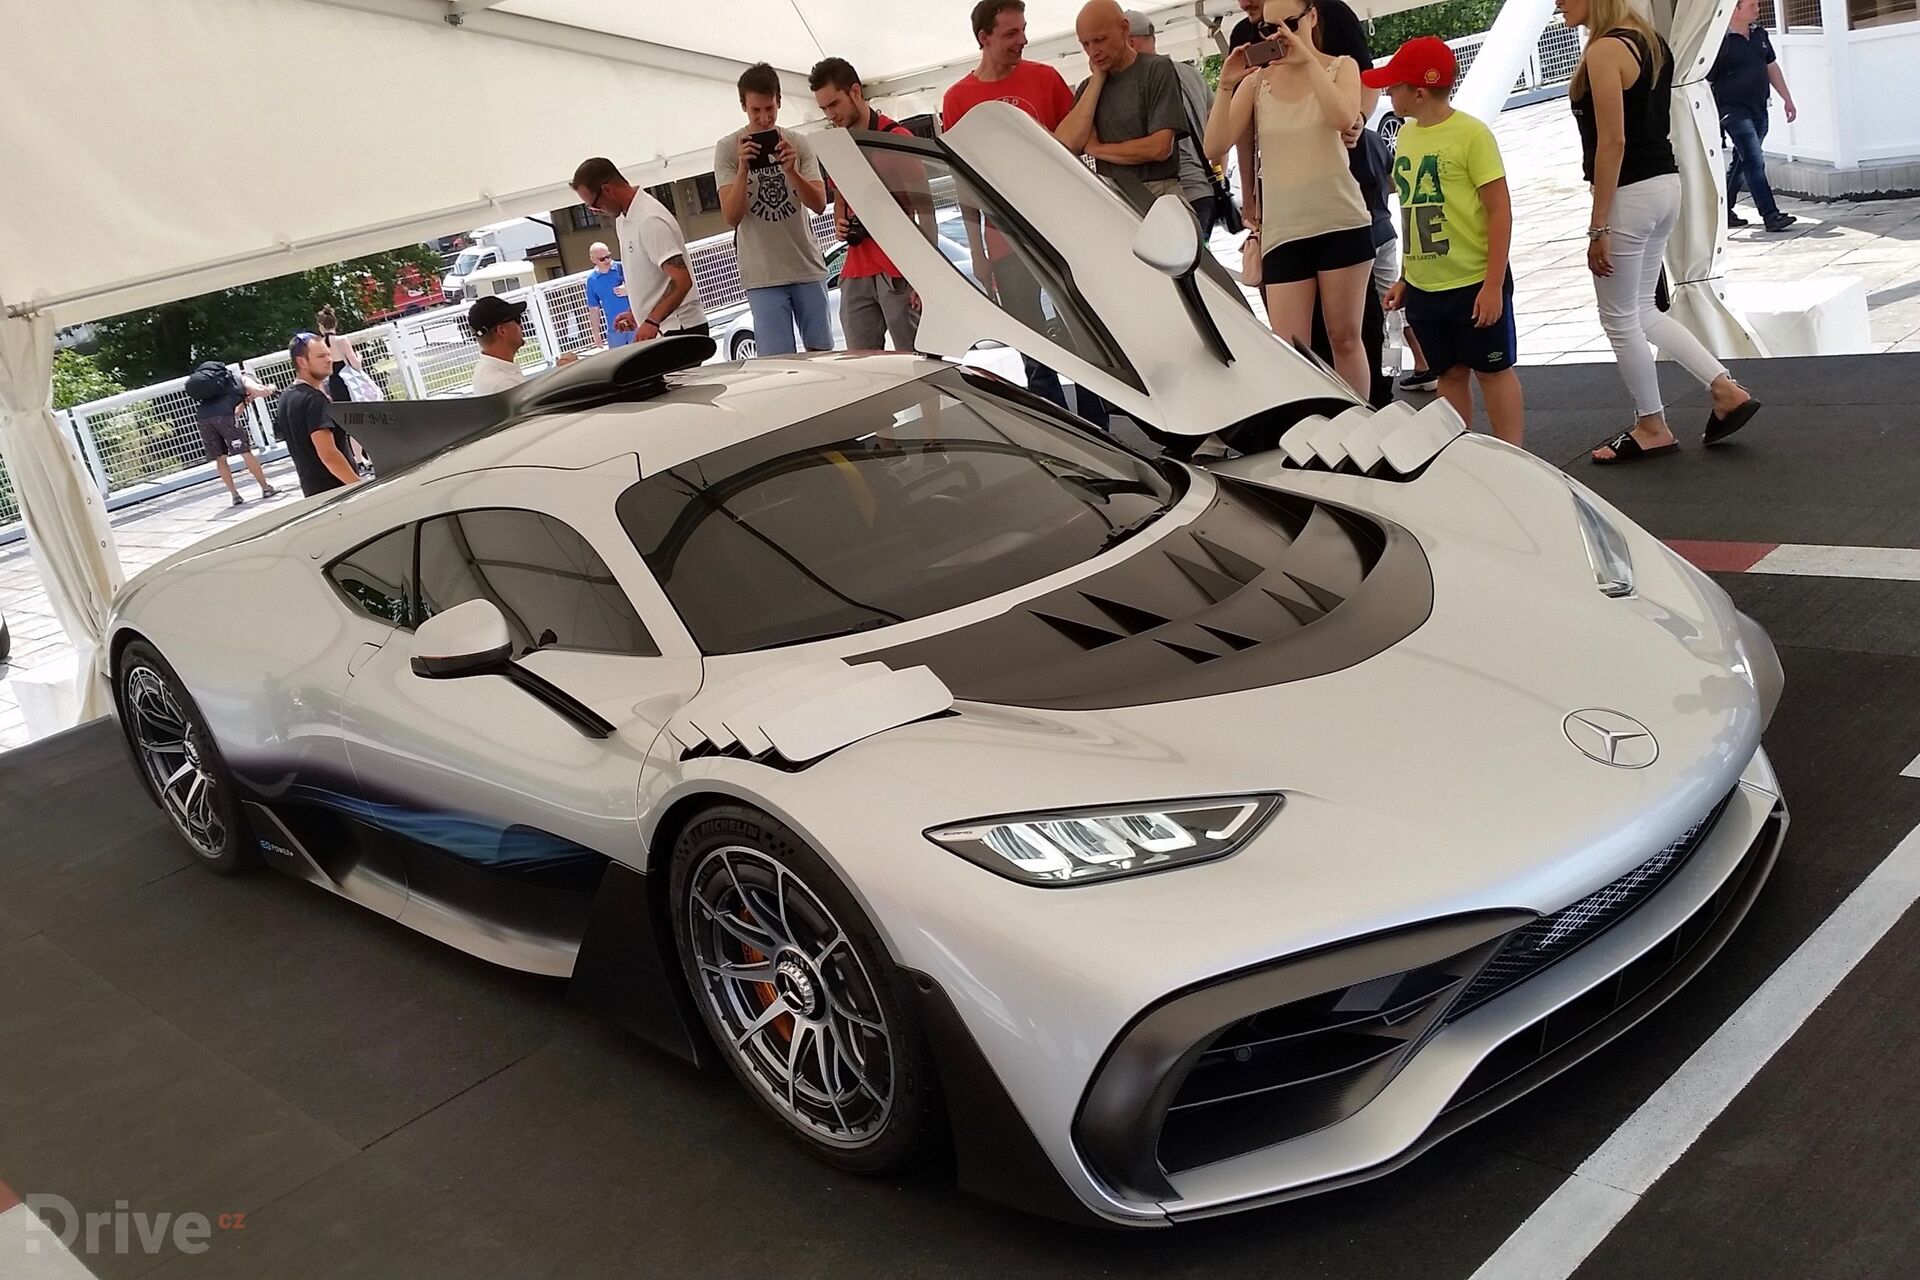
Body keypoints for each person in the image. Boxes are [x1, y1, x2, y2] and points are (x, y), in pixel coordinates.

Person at [1565, 0, 1763, 463]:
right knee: (1642, 311)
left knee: (1619, 319)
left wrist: (1598, 227)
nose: (1556, 3)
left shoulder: (1604, 52)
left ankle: (1651, 425)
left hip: (1630, 193)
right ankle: (1724, 388)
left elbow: (1613, 142)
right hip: (1664, 186)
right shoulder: (1650, 42)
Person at [1205, 0, 1374, 399]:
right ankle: (1311, 434)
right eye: (1268, 29)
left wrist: (1307, 60)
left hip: (1340, 221)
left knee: (1345, 338)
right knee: (1291, 348)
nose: (1279, 35)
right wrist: (1226, 84)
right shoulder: (1256, 83)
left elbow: (1344, 118)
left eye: (1290, 24)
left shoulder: (1341, 67)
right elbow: (1214, 145)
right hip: (1284, 231)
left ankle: (1360, 429)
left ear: (1313, 18)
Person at [1371, 38, 1525, 446]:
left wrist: (1492, 285)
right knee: (1449, 374)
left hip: (1473, 280)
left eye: (1394, 86)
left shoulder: (1472, 135)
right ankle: (1461, 456)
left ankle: (1517, 458)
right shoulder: (1406, 137)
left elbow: (1499, 211)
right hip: (1425, 284)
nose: (1387, 93)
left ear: (1418, 92)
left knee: (1493, 371)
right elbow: (1414, 211)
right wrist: (1407, 276)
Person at [942, 0, 1076, 411]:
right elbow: (964, 180)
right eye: (1011, 34)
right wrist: (978, 252)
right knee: (1032, 347)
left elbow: (1074, 153)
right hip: (1004, 240)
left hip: (1059, 232)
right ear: (984, 38)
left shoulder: (1047, 79)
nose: (1023, 40)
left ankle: (1100, 420)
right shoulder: (958, 98)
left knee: (1085, 336)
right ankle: (1062, 432)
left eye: (1023, 30)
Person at [715, 63, 832, 355]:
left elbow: (819, 203)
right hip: (762, 276)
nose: (764, 118)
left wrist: (793, 172)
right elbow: (731, 216)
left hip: (806, 267)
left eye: (770, 108)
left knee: (824, 356)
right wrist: (743, 168)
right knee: (779, 363)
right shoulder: (728, 148)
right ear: (743, 107)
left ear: (779, 101)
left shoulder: (798, 142)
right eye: (756, 111)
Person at [810, 56, 923, 352]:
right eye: (823, 108)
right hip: (856, 267)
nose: (830, 114)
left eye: (834, 104)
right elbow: (839, 200)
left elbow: (926, 211)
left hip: (899, 268)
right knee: (866, 371)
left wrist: (924, 280)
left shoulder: (896, 138)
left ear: (856, 92)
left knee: (917, 365)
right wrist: (840, 220)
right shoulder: (837, 144)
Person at [571, 158, 709, 344]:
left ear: (608, 190)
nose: (595, 211)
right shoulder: (624, 219)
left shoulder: (649, 219)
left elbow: (682, 280)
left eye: (594, 205)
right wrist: (637, 313)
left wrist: (651, 320)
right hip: (662, 327)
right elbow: (650, 279)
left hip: (680, 327)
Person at [1124, 10, 1218, 229]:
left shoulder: (1144, 82)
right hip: (1204, 190)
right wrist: (1216, 175)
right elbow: (1217, 132)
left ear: (1131, 43)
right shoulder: (1191, 73)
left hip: (1174, 195)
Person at [1709, 0, 1797, 233]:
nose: (1758, 9)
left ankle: (1723, 211)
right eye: (1752, 5)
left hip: (1759, 107)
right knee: (1755, 161)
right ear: (1734, 9)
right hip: (1732, 110)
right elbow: (1707, 78)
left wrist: (1787, 99)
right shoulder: (1719, 41)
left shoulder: (1760, 34)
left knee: (1743, 160)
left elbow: (1771, 67)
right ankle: (1770, 214)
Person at [276, 333, 360, 497]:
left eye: (328, 354)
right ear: (302, 362)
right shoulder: (314, 400)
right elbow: (328, 454)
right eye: (321, 356)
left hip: (312, 490)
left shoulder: (286, 397)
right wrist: (358, 486)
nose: (329, 359)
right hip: (337, 491)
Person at [188, 361, 279, 507]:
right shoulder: (242, 379)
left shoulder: (218, 385)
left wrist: (246, 401)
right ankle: (265, 488)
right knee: (245, 452)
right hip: (224, 416)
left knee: (220, 458)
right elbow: (261, 391)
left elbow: (236, 412)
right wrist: (271, 388)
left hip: (203, 418)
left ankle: (235, 495)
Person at [582, 241, 636, 349]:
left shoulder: (623, 268)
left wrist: (629, 290)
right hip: (615, 330)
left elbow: (643, 286)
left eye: (608, 257)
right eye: (602, 259)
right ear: (593, 260)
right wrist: (596, 334)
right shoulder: (592, 280)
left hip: (635, 324)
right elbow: (594, 309)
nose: (606, 260)